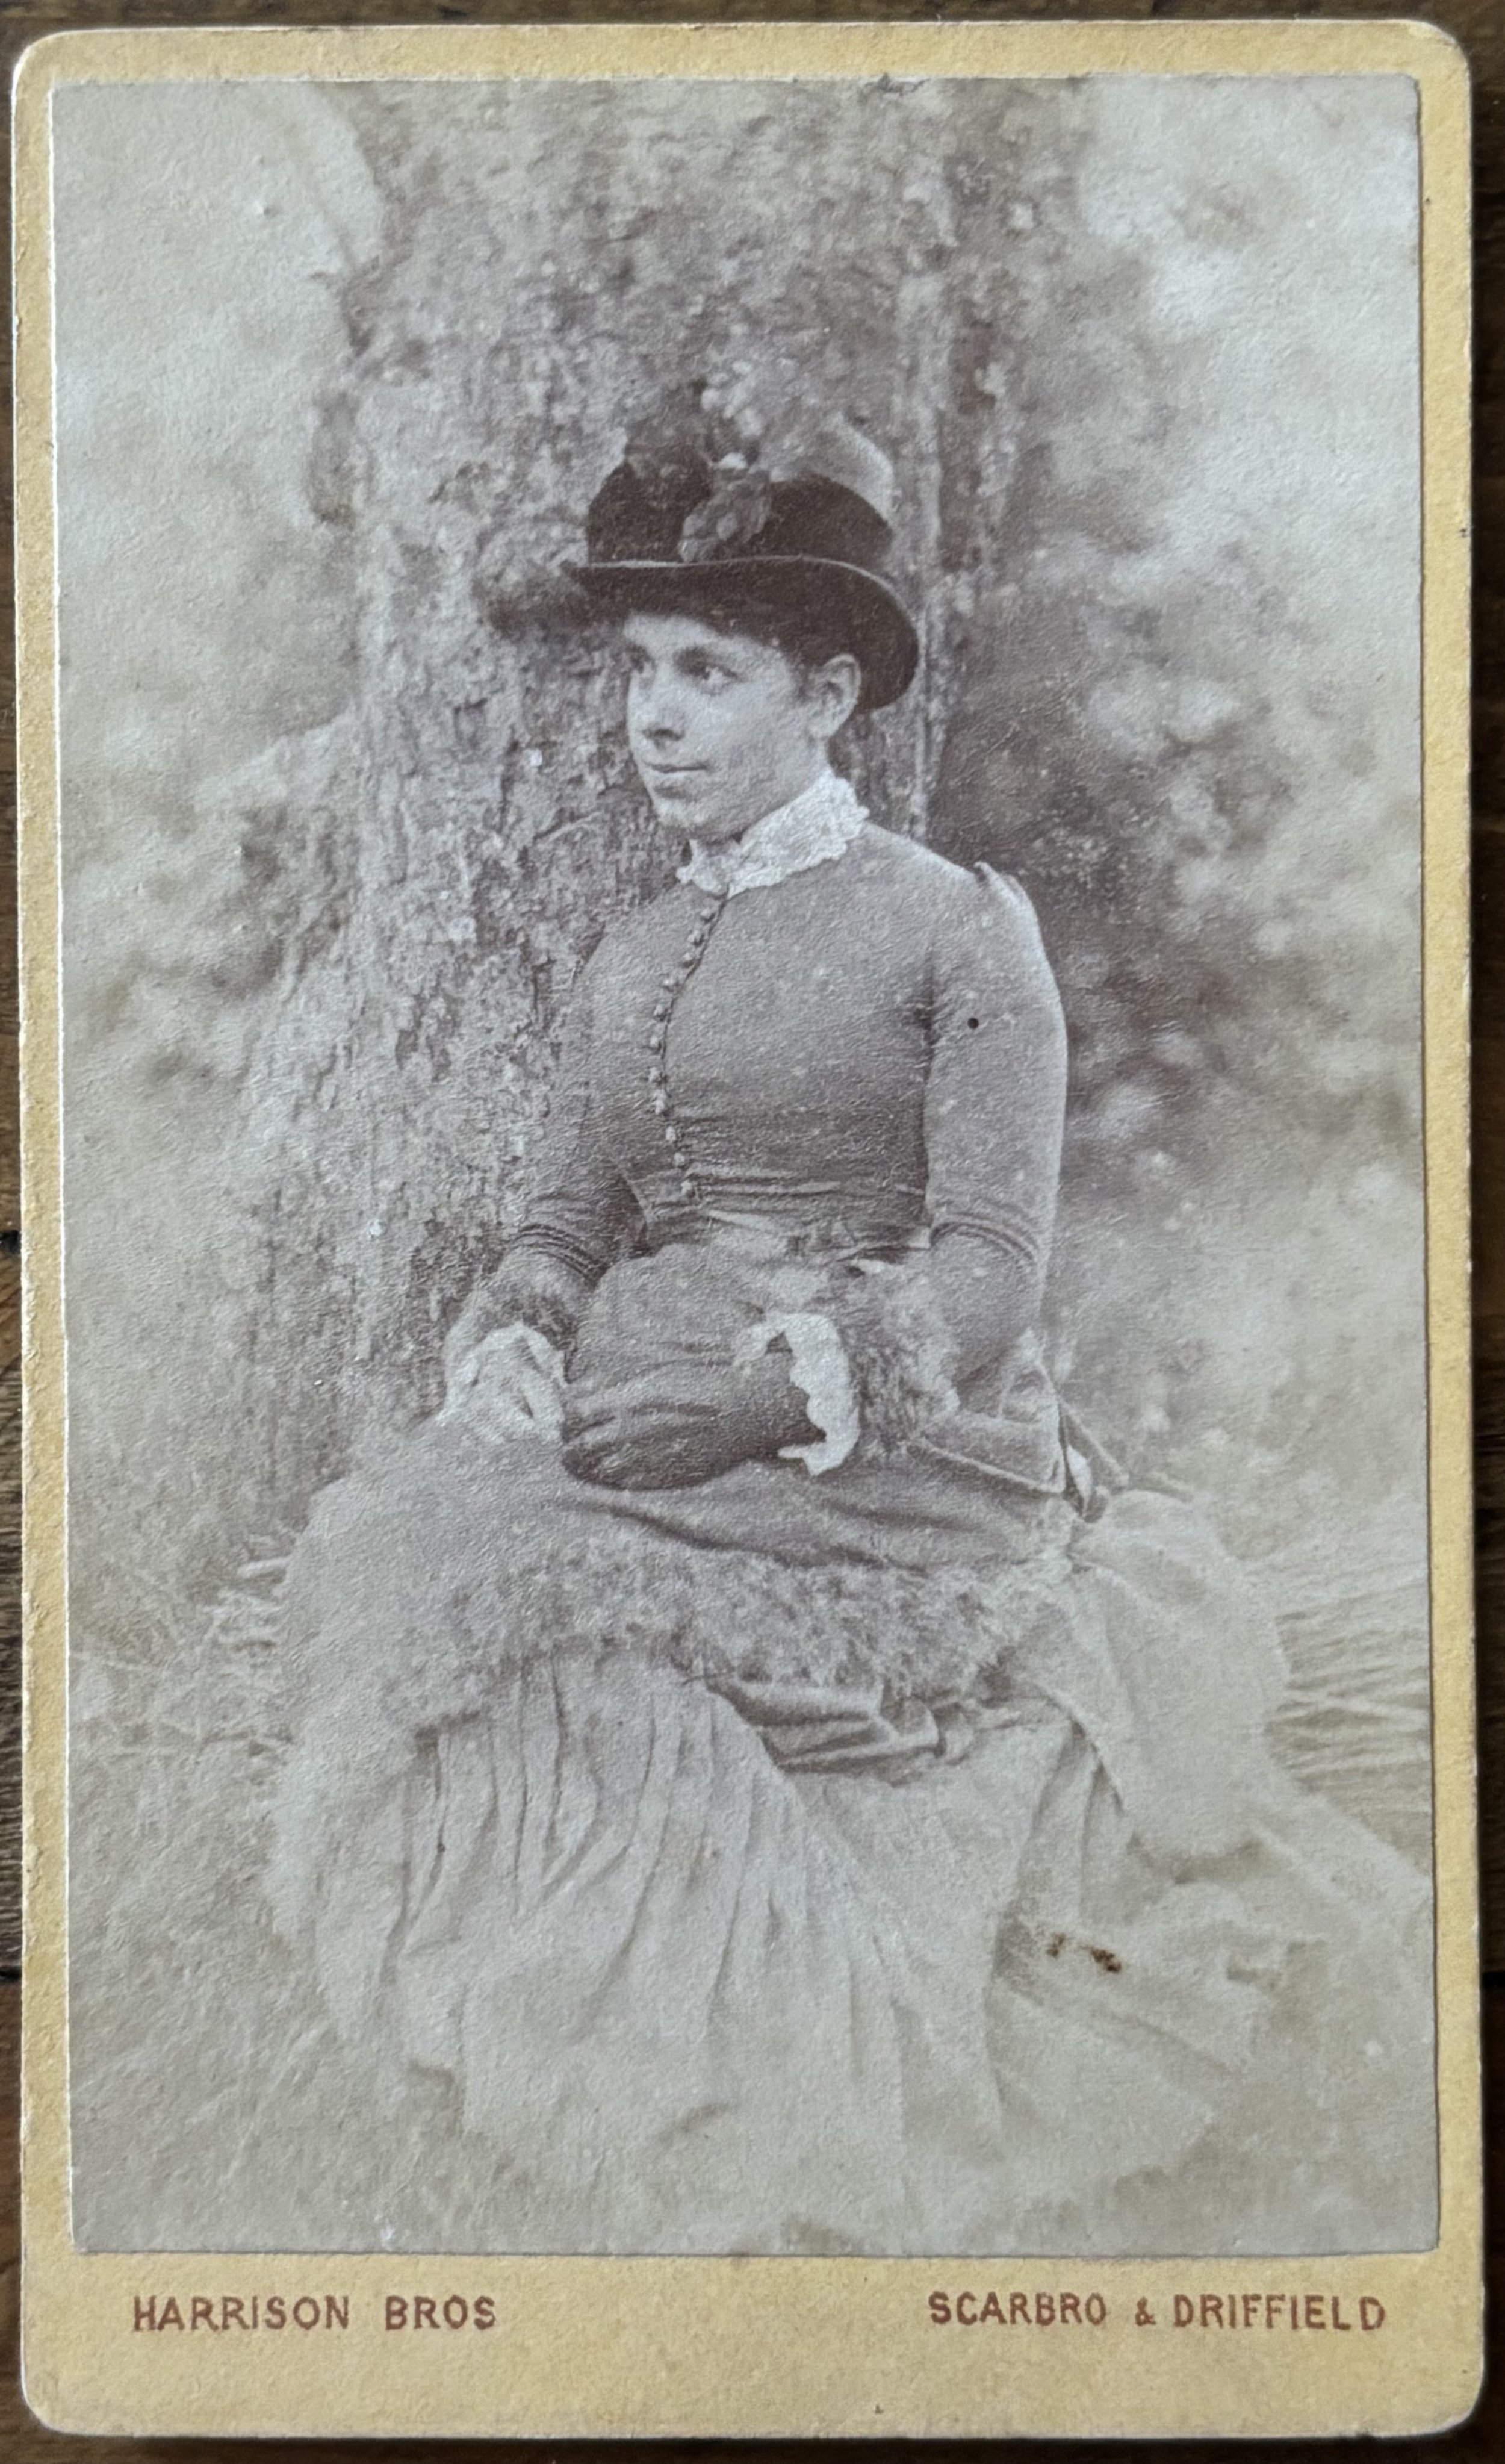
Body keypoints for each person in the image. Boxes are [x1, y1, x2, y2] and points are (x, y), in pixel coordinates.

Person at [268, 390, 1435, 2257]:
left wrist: (752, 1406)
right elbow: (563, 1218)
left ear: (825, 697)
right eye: (640, 668)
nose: (652, 716)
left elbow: (989, 1274)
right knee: (436, 1583)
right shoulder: (627, 950)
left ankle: (773, 2048)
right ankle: (562, 2020)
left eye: (708, 673)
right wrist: (515, 1337)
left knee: (613, 1672)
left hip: (886, 1442)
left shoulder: (955, 929)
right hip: (642, 1408)